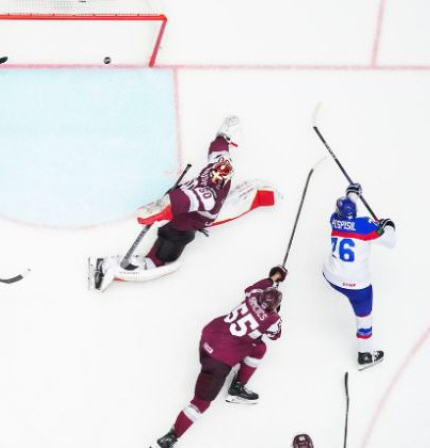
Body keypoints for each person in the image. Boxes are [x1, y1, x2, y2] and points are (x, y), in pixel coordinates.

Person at [91, 115, 256, 290]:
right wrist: (224, 135)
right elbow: (219, 147)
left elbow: (188, 200)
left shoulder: (209, 194)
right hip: (186, 202)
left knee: (174, 233)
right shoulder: (220, 163)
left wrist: (162, 207)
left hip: (195, 218)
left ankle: (159, 260)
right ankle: (153, 256)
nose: (214, 177)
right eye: (214, 173)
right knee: (170, 226)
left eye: (217, 178)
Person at [151, 266, 288, 448]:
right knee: (200, 403)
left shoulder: (253, 295)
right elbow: (275, 335)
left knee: (258, 347)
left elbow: (252, 288)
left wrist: (273, 278)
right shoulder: (273, 319)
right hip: (219, 362)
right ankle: (170, 438)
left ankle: (236, 385)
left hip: (208, 337)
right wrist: (273, 313)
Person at [323, 183, 396, 370]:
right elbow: (390, 242)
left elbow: (345, 215)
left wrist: (352, 194)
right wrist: (388, 226)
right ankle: (365, 355)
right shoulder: (365, 225)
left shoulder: (333, 220)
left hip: (332, 278)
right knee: (364, 318)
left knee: (332, 267)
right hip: (357, 287)